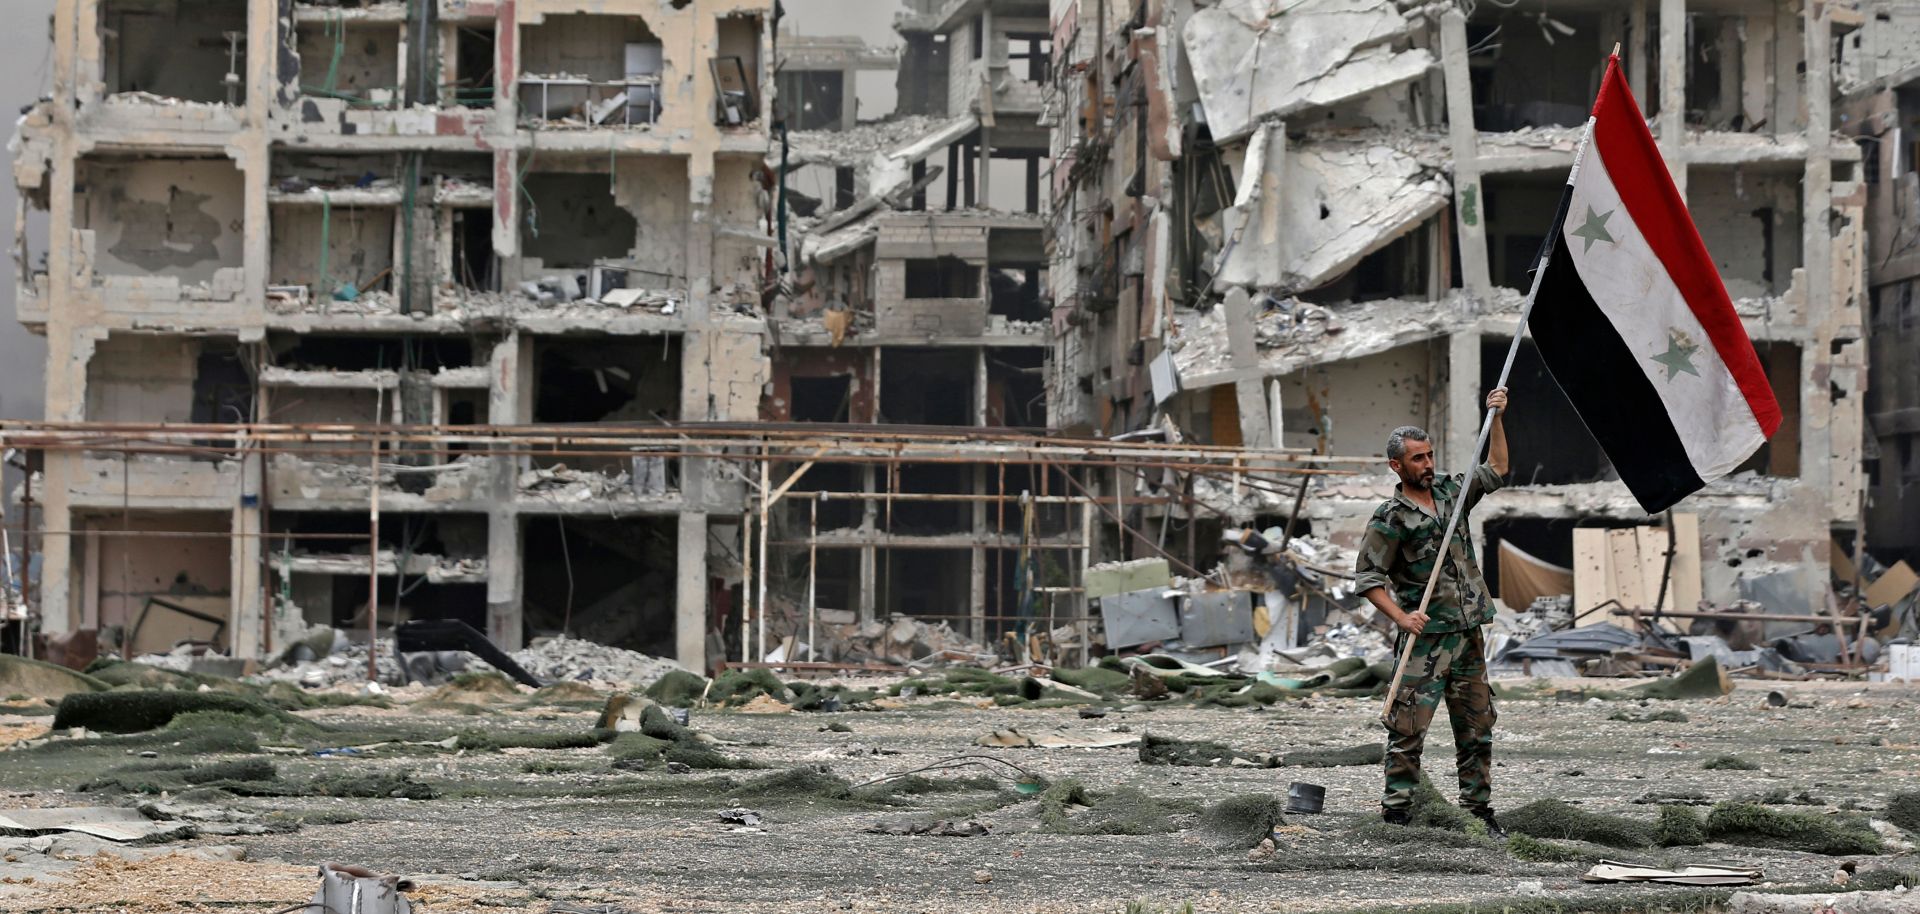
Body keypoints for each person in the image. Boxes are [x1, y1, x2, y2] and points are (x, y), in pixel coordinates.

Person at [1353, 388, 1510, 836]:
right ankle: (1398, 812)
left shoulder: (1453, 493)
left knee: (1477, 726)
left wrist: (1497, 417)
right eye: (1418, 459)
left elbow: (1497, 468)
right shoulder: (1391, 518)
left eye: (1429, 455)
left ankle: (1478, 810)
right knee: (1407, 730)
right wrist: (1401, 618)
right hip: (1425, 640)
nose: (1428, 464)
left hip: (1468, 632)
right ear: (1396, 466)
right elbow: (1367, 578)